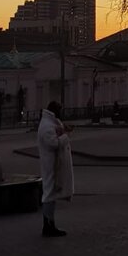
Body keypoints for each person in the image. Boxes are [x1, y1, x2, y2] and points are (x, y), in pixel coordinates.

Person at [37, 100, 74, 238]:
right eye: (59, 110)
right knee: (48, 194)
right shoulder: (47, 125)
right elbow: (53, 143)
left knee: (51, 193)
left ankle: (50, 224)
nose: (61, 113)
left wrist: (63, 130)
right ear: (54, 111)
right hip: (50, 164)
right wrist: (66, 136)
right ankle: (47, 225)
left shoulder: (50, 123)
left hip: (53, 164)